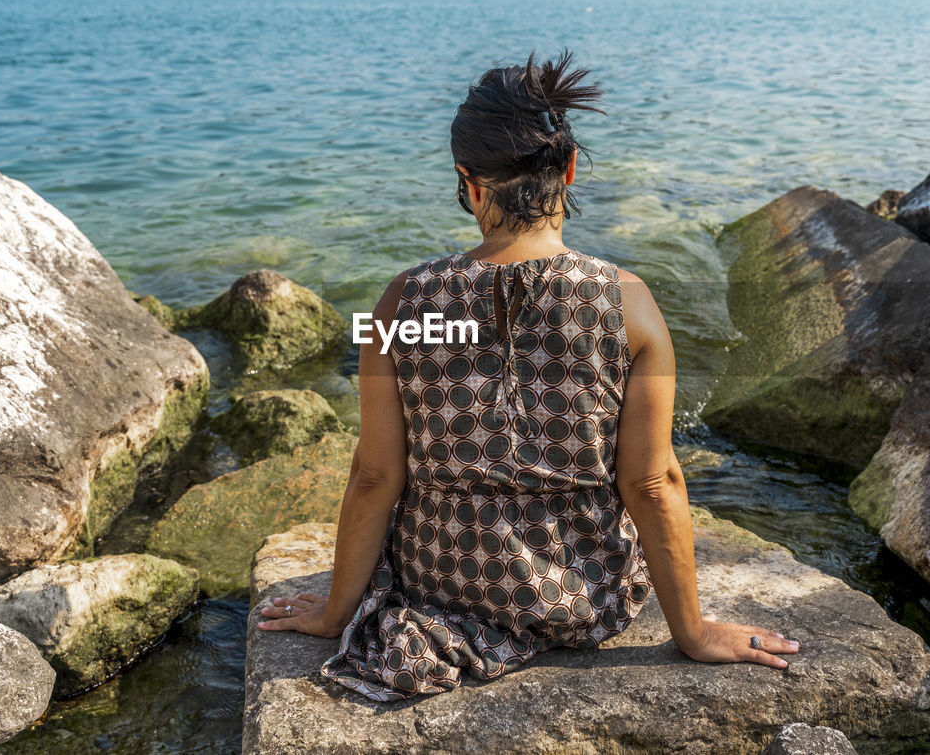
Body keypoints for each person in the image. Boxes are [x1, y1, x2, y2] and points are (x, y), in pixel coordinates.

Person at [258, 50, 800, 700]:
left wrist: (333, 613)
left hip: (441, 586)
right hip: (582, 598)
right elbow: (652, 482)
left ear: (471, 183)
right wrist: (693, 631)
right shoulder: (628, 303)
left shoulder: (400, 304)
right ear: (568, 169)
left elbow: (375, 476)